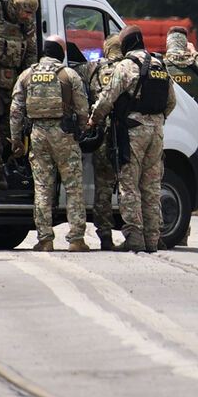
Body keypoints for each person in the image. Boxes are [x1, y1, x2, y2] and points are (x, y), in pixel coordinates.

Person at [86, 24, 176, 253]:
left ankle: (134, 237)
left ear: (126, 44)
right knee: (152, 186)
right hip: (156, 132)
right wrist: (157, 119)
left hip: (132, 132)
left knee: (130, 185)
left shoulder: (126, 66)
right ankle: (152, 239)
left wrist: (94, 119)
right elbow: (171, 101)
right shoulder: (159, 65)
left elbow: (108, 99)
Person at [10, 35, 90, 252]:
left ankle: (45, 239)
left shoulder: (27, 75)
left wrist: (16, 140)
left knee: (43, 187)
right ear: (60, 52)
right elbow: (83, 109)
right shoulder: (69, 75)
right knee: (73, 187)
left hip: (37, 135)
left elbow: (15, 110)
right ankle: (76, 239)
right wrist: (82, 131)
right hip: (64, 135)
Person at [163, 26, 198, 219]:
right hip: (192, 127)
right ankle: (184, 232)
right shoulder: (195, 65)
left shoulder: (162, 64)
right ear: (185, 45)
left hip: (166, 126)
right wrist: (195, 54)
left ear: (168, 43)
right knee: (186, 179)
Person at [77, 34, 123, 250]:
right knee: (130, 185)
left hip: (101, 135)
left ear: (106, 49)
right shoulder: (127, 67)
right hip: (125, 135)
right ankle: (136, 231)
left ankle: (105, 234)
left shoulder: (93, 68)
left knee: (103, 187)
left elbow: (73, 74)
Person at [0, 0, 39, 189]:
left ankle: (6, 165)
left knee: (7, 131)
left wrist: (29, 81)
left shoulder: (27, 25)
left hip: (13, 84)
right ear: (16, 6)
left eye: (30, 15)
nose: (28, 18)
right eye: (26, 13)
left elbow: (31, 54)